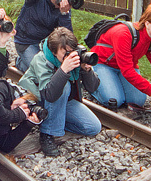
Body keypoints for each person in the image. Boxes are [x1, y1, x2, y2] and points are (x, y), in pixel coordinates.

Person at [18, 27, 102, 157]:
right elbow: (49, 95)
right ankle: (47, 133)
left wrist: (87, 70)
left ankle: (54, 120)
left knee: (93, 127)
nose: (70, 55)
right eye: (65, 53)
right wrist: (63, 70)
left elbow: (93, 88)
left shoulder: (76, 56)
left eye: (72, 51)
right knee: (64, 86)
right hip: (39, 98)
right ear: (54, 52)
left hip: (63, 100)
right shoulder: (41, 59)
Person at [88, 3, 151, 109]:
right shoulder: (123, 34)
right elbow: (127, 71)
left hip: (123, 68)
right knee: (114, 100)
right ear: (147, 23)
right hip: (103, 64)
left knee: (138, 101)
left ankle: (114, 83)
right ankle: (90, 82)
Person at [13, 0, 75, 72]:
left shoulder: (64, 7)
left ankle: (27, 63)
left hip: (46, 45)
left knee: (55, 69)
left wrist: (64, 14)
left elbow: (66, 36)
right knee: (41, 71)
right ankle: (20, 63)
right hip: (27, 42)